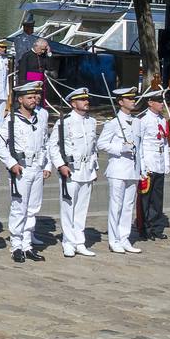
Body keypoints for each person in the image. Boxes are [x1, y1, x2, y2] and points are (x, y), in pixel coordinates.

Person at [0, 79, 51, 263]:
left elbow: (46, 143)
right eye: (30, 97)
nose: (34, 100)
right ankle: (16, 245)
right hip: (21, 168)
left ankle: (27, 244)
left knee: (33, 208)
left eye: (35, 96)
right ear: (20, 99)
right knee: (19, 208)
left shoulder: (40, 119)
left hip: (36, 167)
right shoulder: (11, 120)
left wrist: (47, 165)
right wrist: (11, 164)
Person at [48, 88, 98, 257]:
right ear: (73, 103)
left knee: (82, 209)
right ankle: (68, 242)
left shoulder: (91, 121)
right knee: (68, 208)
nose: (86, 102)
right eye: (82, 99)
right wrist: (60, 165)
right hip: (71, 170)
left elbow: (93, 148)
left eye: (87, 99)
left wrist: (94, 167)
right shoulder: (65, 122)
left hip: (87, 170)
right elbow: (52, 145)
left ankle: (79, 241)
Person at [99, 86, 143, 254]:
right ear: (120, 102)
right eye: (129, 98)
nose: (133, 101)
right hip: (118, 169)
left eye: (133, 98)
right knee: (116, 205)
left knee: (128, 206)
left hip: (133, 169)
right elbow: (101, 143)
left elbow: (141, 147)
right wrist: (120, 147)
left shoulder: (137, 122)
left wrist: (142, 168)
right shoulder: (113, 123)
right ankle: (114, 239)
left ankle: (124, 238)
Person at [136, 88, 170, 240]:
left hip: (159, 163)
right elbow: (140, 144)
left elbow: (165, 143)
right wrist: (142, 166)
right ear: (150, 103)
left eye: (162, 101)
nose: (162, 104)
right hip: (148, 164)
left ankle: (156, 228)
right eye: (159, 101)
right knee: (145, 199)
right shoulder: (142, 120)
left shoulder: (162, 119)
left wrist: (167, 162)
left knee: (157, 199)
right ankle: (144, 228)